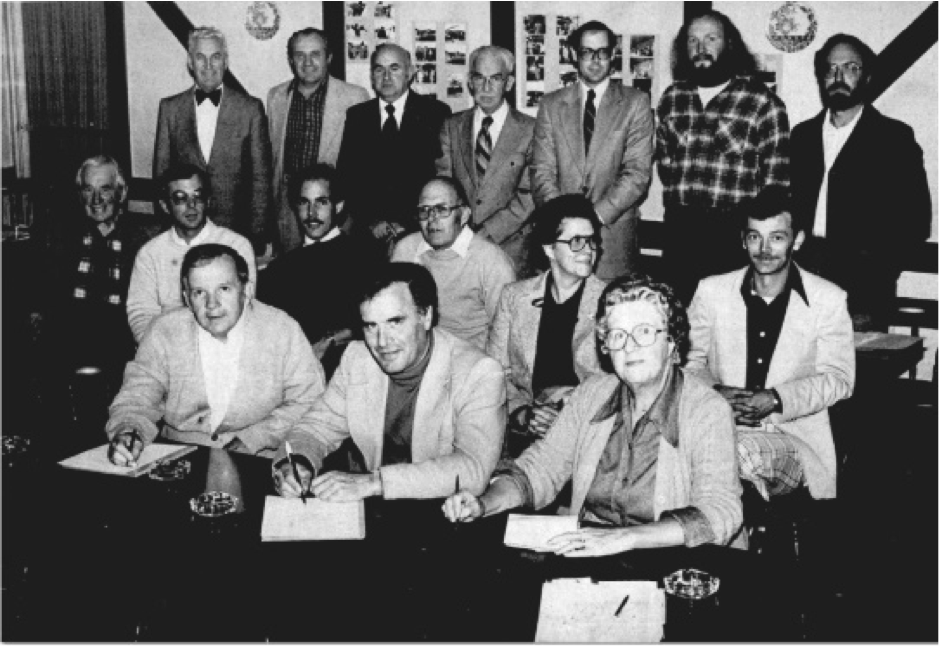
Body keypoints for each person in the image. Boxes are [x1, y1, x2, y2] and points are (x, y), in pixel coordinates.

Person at [443, 275, 744, 554]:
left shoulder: (707, 410)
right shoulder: (592, 394)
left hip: (675, 564)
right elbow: (541, 469)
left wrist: (625, 537)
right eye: (617, 335)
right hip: (595, 551)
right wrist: (484, 503)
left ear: (672, 341)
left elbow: (719, 511)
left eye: (644, 332)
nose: (630, 347)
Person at [272, 262, 505, 502]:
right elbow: (316, 428)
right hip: (378, 512)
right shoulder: (357, 358)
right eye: (371, 326)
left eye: (395, 322)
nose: (382, 342)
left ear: (426, 316)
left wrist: (376, 482)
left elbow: (472, 469)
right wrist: (297, 463)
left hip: (447, 512)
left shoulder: (479, 372)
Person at [686, 188, 855, 501]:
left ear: (797, 240)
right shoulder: (711, 292)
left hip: (792, 438)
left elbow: (839, 380)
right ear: (743, 240)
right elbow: (688, 365)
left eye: (777, 237)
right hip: (719, 427)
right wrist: (716, 392)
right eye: (754, 237)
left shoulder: (828, 299)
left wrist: (777, 399)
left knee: (729, 457)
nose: (764, 249)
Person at [107, 244, 325, 464]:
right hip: (179, 456)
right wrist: (129, 431)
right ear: (187, 298)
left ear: (246, 290)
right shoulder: (164, 331)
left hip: (257, 458)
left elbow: (308, 401)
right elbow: (138, 396)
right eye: (199, 292)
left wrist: (254, 438)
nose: (212, 304)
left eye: (224, 289)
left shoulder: (281, 329)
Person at [791, 34, 932, 331]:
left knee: (861, 375)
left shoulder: (893, 139)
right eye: (830, 69)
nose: (838, 77)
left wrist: (876, 279)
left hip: (864, 292)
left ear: (866, 77)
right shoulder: (802, 137)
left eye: (850, 67)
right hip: (803, 282)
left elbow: (916, 223)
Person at [656, 10, 790, 304]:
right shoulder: (671, 98)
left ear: (729, 45)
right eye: (692, 40)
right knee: (679, 328)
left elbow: (775, 186)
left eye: (710, 38)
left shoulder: (763, 103)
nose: (700, 48)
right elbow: (666, 167)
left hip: (732, 237)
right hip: (679, 233)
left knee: (729, 333)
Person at [530, 20, 654, 281]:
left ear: (612, 55)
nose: (595, 60)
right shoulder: (551, 105)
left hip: (613, 241)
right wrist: (565, 225)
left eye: (603, 52)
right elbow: (541, 172)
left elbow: (637, 173)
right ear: (575, 55)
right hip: (561, 242)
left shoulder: (635, 103)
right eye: (587, 52)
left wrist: (593, 218)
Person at [487, 194, 607, 457]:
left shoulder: (609, 302)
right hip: (524, 429)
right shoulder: (514, 297)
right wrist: (522, 413)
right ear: (549, 249)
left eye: (591, 241)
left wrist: (565, 413)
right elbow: (494, 372)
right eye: (576, 242)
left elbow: (612, 383)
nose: (587, 250)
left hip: (586, 431)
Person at [153, 26, 273, 253]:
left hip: (235, 232)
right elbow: (161, 178)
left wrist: (256, 237)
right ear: (190, 62)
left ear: (226, 62)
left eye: (215, 57)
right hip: (184, 234)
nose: (208, 66)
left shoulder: (250, 109)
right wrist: (168, 230)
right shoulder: (170, 109)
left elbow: (261, 180)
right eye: (200, 58)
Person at [258, 163, 384, 377]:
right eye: (304, 203)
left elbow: (375, 319)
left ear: (338, 206)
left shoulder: (364, 256)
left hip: (350, 369)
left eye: (321, 202)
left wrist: (330, 340)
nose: (311, 213)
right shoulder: (280, 270)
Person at [436, 45, 537, 278]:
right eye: (479, 78)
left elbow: (529, 195)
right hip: (458, 245)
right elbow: (443, 185)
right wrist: (461, 232)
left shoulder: (531, 130)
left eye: (496, 78)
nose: (487, 87)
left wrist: (486, 233)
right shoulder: (452, 126)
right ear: (470, 82)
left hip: (511, 249)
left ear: (509, 83)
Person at [126, 164, 256, 344]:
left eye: (198, 196)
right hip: (167, 348)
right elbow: (141, 314)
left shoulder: (236, 245)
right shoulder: (150, 253)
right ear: (165, 206)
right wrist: (159, 351)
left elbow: (244, 306)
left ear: (208, 201)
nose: (191, 205)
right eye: (180, 198)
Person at [336, 43, 451, 247]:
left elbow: (440, 177)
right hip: (368, 233)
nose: (386, 77)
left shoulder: (435, 114)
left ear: (410, 72)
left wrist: (407, 222)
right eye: (379, 69)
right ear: (372, 76)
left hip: (420, 230)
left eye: (394, 68)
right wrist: (372, 221)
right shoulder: (357, 116)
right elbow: (348, 177)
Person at [267, 28, 370, 253]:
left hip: (334, 208)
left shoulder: (355, 97)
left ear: (329, 57)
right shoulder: (276, 97)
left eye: (315, 54)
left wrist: (350, 214)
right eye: (300, 55)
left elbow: (363, 165)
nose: (307, 62)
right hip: (289, 209)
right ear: (291, 60)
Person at [391, 177, 516, 350]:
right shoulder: (406, 250)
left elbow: (506, 334)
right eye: (424, 211)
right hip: (416, 355)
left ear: (464, 215)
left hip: (472, 360)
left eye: (442, 209)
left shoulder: (491, 261)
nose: (432, 219)